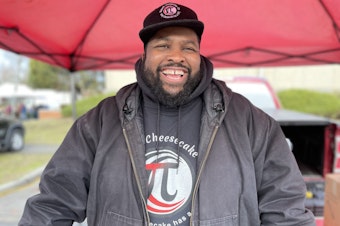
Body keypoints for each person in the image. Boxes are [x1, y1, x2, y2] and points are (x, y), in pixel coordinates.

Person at [19, 2, 316, 226]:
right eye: (163, 46)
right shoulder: (99, 122)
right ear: (144, 55)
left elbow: (286, 209)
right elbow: (53, 203)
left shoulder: (251, 122)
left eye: (189, 47)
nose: (177, 56)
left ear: (200, 57)